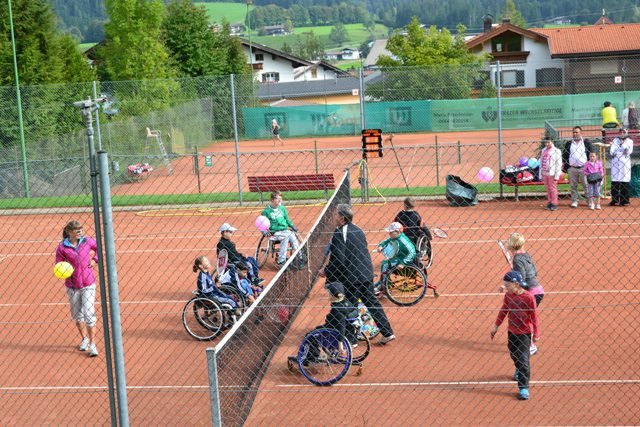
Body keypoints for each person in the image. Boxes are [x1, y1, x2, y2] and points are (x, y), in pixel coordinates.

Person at [319, 204, 396, 345]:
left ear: (342, 218)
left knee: (350, 306)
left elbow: (338, 259)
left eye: (336, 214)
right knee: (372, 303)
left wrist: (326, 271)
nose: (334, 217)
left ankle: (351, 340)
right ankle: (387, 332)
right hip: (366, 274)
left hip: (352, 278)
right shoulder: (358, 229)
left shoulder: (339, 233)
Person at [490, 271, 540, 401]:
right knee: (514, 354)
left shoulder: (529, 297)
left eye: (508, 285)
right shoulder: (508, 296)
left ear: (516, 284)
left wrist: (536, 333)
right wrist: (496, 326)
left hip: (525, 333)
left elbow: (534, 316)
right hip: (512, 332)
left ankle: (523, 387)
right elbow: (503, 310)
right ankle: (519, 368)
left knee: (523, 359)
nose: (506, 287)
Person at [55, 220, 99, 357]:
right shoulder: (62, 247)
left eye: (81, 229)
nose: (80, 231)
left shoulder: (87, 241)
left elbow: (98, 248)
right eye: (77, 229)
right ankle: (84, 339)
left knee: (89, 314)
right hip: (72, 285)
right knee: (77, 315)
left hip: (88, 283)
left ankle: (92, 344)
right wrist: (64, 270)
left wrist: (94, 260)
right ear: (69, 232)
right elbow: (58, 264)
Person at [504, 233, 545, 356]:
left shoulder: (517, 259)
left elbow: (521, 280)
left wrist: (508, 285)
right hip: (538, 290)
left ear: (511, 246)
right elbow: (534, 272)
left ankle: (530, 346)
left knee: (524, 319)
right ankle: (526, 342)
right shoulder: (526, 255)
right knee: (526, 318)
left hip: (531, 293)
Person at [302, 281, 358, 364]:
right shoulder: (347, 303)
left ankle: (310, 357)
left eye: (330, 293)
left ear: (335, 296)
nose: (328, 294)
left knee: (309, 336)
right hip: (348, 333)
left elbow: (341, 327)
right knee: (317, 328)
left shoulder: (336, 310)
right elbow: (355, 314)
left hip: (330, 335)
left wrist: (340, 345)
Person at [193, 256, 240, 324]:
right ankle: (234, 315)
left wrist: (216, 285)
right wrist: (215, 286)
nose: (208, 262)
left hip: (215, 294)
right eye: (206, 261)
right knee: (230, 301)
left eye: (207, 260)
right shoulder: (202, 276)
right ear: (200, 266)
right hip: (211, 297)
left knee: (231, 298)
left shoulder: (207, 274)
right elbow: (203, 290)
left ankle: (233, 314)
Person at [373, 222, 417, 295]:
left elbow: (412, 252)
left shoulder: (403, 240)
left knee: (385, 264)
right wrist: (381, 246)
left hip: (404, 260)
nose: (389, 233)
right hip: (398, 257)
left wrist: (403, 263)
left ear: (397, 232)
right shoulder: (395, 237)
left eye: (391, 232)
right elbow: (386, 241)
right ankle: (382, 282)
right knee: (385, 263)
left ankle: (384, 285)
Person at [261, 191, 299, 266]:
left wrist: (292, 225)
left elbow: (287, 219)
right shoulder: (266, 212)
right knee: (285, 237)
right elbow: (261, 223)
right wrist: (263, 231)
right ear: (272, 200)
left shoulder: (282, 208)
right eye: (278, 199)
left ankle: (299, 256)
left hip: (285, 230)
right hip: (275, 232)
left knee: (293, 237)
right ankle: (281, 260)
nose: (280, 201)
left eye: (281, 199)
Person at [563, 126, 594, 208]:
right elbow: (565, 155)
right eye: (573, 132)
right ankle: (574, 201)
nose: (575, 134)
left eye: (576, 132)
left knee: (586, 185)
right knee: (573, 186)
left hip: (584, 168)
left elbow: (591, 154)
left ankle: (589, 201)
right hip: (572, 168)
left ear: (581, 133)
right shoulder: (569, 143)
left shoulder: (586, 143)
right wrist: (567, 167)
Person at [609, 128, 634, 206]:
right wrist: (621, 152)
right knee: (615, 181)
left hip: (624, 164)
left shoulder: (630, 141)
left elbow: (628, 152)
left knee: (624, 181)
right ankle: (615, 200)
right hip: (616, 163)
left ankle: (624, 201)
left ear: (626, 133)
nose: (622, 133)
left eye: (623, 132)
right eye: (620, 132)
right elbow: (611, 152)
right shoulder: (615, 140)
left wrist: (623, 145)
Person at [539, 137, 562, 211]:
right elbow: (541, 161)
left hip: (552, 173)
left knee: (552, 188)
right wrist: (541, 173)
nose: (547, 144)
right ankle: (550, 201)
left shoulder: (556, 151)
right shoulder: (543, 150)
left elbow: (558, 164)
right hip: (544, 172)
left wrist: (557, 175)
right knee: (548, 187)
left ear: (552, 142)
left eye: (548, 142)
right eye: (545, 142)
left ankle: (554, 203)